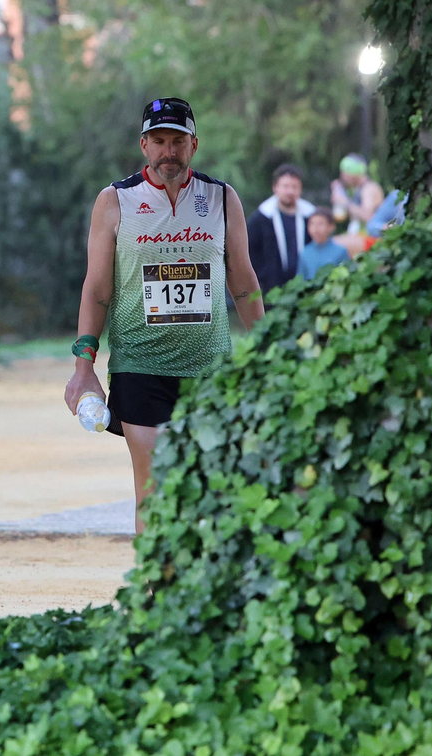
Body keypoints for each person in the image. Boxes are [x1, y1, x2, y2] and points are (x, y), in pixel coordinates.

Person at [64, 97, 264, 533]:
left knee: (209, 490)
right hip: (142, 366)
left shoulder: (221, 197)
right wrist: (84, 367)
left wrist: (270, 348)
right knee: (156, 487)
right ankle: (157, 580)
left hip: (210, 368)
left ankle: (196, 576)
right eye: (159, 141)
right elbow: (97, 288)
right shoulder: (115, 200)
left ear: (194, 144)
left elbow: (243, 280)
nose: (168, 151)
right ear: (144, 145)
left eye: (177, 141)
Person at [246, 163, 315, 293]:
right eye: (285, 186)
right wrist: (263, 277)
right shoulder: (261, 218)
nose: (290, 191)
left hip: (306, 287)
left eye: (294, 187)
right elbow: (250, 250)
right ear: (275, 187)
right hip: (271, 289)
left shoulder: (311, 216)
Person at [330, 153, 385, 257]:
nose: (342, 177)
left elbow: (368, 216)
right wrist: (338, 193)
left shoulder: (368, 189)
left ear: (353, 173)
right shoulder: (356, 190)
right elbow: (340, 218)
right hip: (359, 236)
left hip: (372, 239)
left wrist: (344, 202)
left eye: (344, 173)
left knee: (330, 246)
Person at [298, 211, 352, 280]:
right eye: (312, 224)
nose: (315, 229)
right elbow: (301, 279)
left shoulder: (341, 251)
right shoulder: (305, 252)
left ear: (331, 226)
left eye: (320, 224)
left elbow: (347, 275)